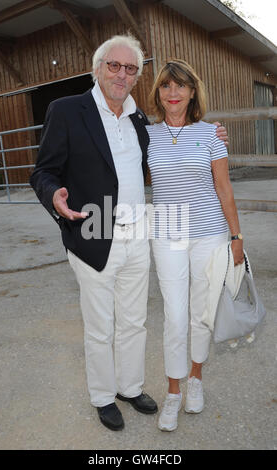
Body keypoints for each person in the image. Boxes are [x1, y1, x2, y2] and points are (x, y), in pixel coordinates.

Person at [30, 34, 228, 432]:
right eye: (113, 66)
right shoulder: (68, 110)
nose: (121, 74)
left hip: (140, 232)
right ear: (98, 68)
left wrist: (213, 136)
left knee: (135, 320)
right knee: (100, 324)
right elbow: (43, 171)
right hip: (93, 229)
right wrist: (55, 198)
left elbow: (176, 144)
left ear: (137, 77)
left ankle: (131, 386)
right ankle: (103, 396)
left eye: (130, 68)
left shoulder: (140, 119)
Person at [147, 59, 244, 432]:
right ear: (158, 92)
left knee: (201, 311)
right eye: (166, 86)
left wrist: (236, 236)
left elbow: (224, 189)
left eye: (180, 86)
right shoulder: (147, 134)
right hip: (167, 234)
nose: (173, 93)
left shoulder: (209, 134)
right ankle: (174, 390)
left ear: (191, 92)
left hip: (209, 234)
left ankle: (196, 378)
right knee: (174, 315)